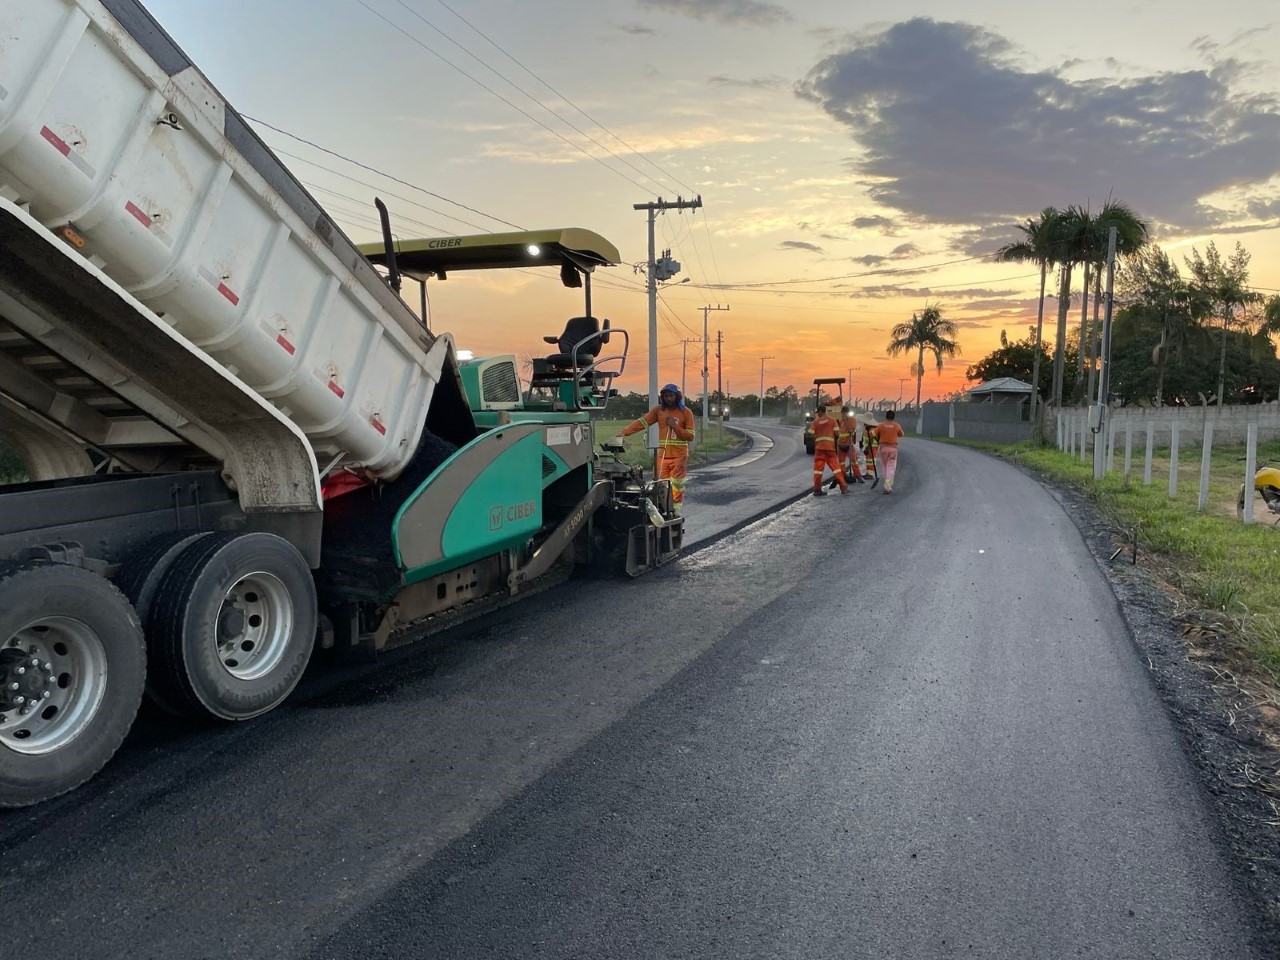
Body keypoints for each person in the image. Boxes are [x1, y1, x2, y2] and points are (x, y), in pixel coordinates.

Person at [616, 383, 696, 513]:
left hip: (679, 456)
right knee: (659, 484)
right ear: (662, 397)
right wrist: (624, 432)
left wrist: (675, 426)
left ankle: (675, 511)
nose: (668, 398)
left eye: (671, 395)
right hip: (662, 455)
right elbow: (642, 422)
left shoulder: (686, 412)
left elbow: (690, 436)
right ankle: (661, 509)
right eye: (665, 396)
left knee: (677, 485)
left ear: (677, 396)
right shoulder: (658, 411)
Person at [809, 404, 849, 496]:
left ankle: (817, 489)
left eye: (818, 412)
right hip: (830, 448)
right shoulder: (832, 420)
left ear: (820, 412)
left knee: (818, 470)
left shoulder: (815, 422)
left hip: (819, 449)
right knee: (836, 468)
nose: (817, 414)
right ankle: (844, 488)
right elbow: (837, 434)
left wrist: (818, 436)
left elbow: (810, 434)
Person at [876, 409, 906, 494]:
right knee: (891, 467)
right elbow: (901, 434)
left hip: (883, 448)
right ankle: (887, 487)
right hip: (893, 449)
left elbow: (874, 434)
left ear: (886, 416)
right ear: (894, 417)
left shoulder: (881, 425)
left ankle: (886, 484)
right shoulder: (896, 425)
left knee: (884, 466)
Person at [835, 407, 865, 485]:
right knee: (841, 463)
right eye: (841, 414)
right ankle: (844, 476)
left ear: (846, 413)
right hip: (840, 444)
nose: (842, 415)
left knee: (854, 461)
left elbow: (851, 430)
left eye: (843, 413)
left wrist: (846, 421)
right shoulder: (840, 421)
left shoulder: (852, 420)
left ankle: (858, 477)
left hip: (849, 444)